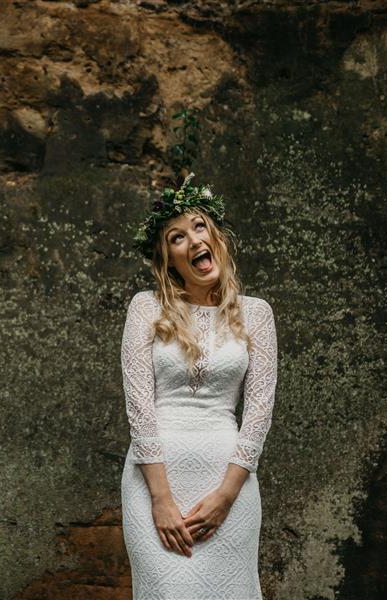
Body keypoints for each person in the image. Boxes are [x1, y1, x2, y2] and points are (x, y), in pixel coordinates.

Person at [120, 173, 277, 599]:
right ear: (168, 258)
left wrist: (226, 496)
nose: (192, 241)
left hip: (230, 486)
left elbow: (259, 412)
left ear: (217, 238)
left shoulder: (257, 314)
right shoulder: (145, 309)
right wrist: (161, 499)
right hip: (154, 487)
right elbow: (139, 406)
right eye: (176, 237)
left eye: (199, 227)